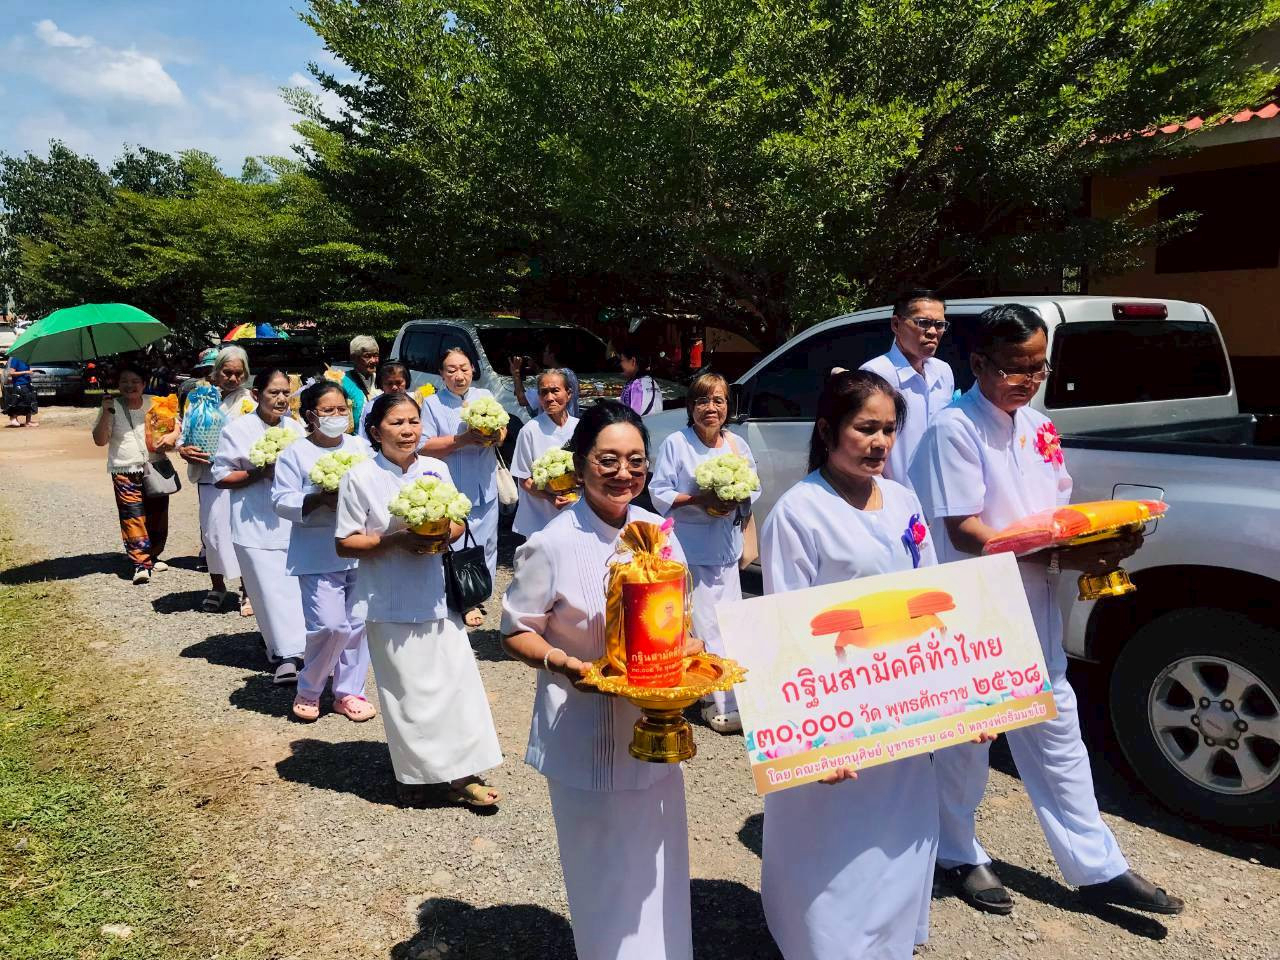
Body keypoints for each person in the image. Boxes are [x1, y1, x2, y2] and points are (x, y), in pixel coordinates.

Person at [909, 304, 1184, 917]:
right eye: (1015, 369)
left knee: (1060, 735)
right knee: (967, 742)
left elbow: (1057, 510)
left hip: (1037, 604)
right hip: (974, 611)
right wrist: (1062, 553)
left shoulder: (1037, 425)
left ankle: (1098, 867)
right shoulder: (954, 429)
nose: (1028, 380)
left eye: (1039, 368)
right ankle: (957, 852)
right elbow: (965, 532)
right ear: (978, 363)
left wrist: (1098, 544)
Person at [501, 401, 700, 960]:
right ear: (581, 463)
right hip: (583, 736)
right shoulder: (553, 542)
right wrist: (561, 663)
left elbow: (679, 621)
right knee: (606, 880)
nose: (623, 473)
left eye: (635, 460)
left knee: (659, 874)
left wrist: (693, 651)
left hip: (654, 733)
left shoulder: (658, 533)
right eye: (607, 459)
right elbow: (515, 631)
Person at [757, 371, 939, 960]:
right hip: (835, 716)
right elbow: (786, 633)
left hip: (906, 711)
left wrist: (964, 699)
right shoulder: (799, 512)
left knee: (897, 839)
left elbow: (939, 597)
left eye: (889, 429)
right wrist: (816, 740)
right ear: (828, 429)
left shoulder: (905, 501)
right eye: (866, 429)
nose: (880, 442)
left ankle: (888, 942)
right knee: (830, 846)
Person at [335, 391, 503, 808]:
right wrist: (395, 540)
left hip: (438, 597)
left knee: (456, 686)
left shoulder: (436, 469)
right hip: (387, 600)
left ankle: (463, 774)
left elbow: (459, 523)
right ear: (375, 431)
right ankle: (413, 775)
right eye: (396, 423)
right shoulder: (360, 477)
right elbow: (345, 543)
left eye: (413, 421)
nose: (407, 430)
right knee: (405, 693)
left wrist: (441, 533)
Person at [648, 372, 759, 733]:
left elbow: (752, 487)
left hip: (726, 546)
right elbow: (659, 492)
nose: (711, 408)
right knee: (705, 622)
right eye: (702, 401)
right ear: (691, 406)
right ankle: (715, 698)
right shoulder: (676, 443)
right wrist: (701, 499)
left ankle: (733, 692)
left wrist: (736, 495)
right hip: (691, 546)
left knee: (730, 619)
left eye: (719, 401)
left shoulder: (736, 444)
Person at [271, 381, 376, 722]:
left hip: (360, 549)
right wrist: (318, 498)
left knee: (358, 625)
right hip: (316, 551)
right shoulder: (294, 454)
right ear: (310, 415)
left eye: (342, 410)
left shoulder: (362, 448)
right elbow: (281, 501)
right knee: (330, 626)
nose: (336, 416)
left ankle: (349, 692)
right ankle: (310, 688)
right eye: (328, 410)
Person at [213, 368, 308, 684]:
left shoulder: (296, 429)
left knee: (292, 590)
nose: (281, 399)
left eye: (285, 392)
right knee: (266, 590)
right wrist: (259, 472)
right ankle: (284, 655)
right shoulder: (237, 430)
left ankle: (298, 648)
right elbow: (222, 477)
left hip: (291, 522)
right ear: (256, 395)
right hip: (253, 521)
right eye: (274, 393)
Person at [419, 347, 504, 627]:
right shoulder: (432, 403)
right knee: (458, 543)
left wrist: (496, 434)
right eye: (452, 370)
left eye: (464, 368)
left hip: (486, 483)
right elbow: (425, 446)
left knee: (487, 544)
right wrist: (464, 439)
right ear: (442, 374)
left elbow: (503, 431)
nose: (459, 375)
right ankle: (461, 598)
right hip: (453, 487)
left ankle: (479, 593)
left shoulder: (486, 397)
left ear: (473, 369)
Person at [91, 361, 180, 584]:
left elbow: (176, 425)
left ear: (143, 383)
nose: (129, 386)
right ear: (117, 384)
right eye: (124, 382)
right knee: (133, 516)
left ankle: (153, 554)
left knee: (158, 515)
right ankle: (140, 563)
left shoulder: (155, 403)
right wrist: (106, 412)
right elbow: (100, 440)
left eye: (134, 381)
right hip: (124, 468)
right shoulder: (111, 405)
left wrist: (171, 437)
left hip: (155, 466)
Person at [179, 346, 252, 614]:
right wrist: (183, 448)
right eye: (227, 372)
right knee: (211, 533)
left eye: (238, 373)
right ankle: (217, 585)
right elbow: (184, 429)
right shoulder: (199, 398)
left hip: (240, 478)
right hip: (209, 478)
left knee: (241, 534)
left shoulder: (250, 402)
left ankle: (248, 590)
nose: (232, 378)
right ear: (216, 371)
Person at [859, 288, 955, 485]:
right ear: (896, 324)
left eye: (939, 325)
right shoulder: (876, 374)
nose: (932, 332)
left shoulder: (943, 372)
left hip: (940, 496)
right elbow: (865, 447)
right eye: (923, 323)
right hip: (896, 499)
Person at [509, 369, 580, 538]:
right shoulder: (529, 431)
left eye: (555, 390)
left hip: (577, 514)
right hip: (539, 519)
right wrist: (549, 497)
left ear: (569, 393)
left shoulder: (580, 428)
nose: (549, 398)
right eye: (544, 392)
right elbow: (524, 479)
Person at [510, 338, 580, 417]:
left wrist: (516, 373)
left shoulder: (555, 378)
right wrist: (535, 368)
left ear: (552, 355)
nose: (543, 354)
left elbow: (522, 400)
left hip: (553, 426)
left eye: (545, 351)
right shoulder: (570, 373)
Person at [355, 361, 410, 438]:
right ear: (381, 384)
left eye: (398, 382)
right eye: (389, 383)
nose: (394, 387)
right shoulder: (372, 406)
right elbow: (363, 436)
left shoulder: (413, 403)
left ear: (406, 382)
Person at [341, 335, 380, 431]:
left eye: (376, 355)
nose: (373, 360)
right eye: (367, 356)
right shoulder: (341, 381)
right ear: (354, 358)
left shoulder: (382, 379)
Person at [617, 340, 662, 416]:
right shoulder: (653, 383)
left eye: (622, 360)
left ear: (633, 361)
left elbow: (632, 419)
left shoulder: (636, 386)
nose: (620, 364)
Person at [177, 347, 218, 417]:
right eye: (206, 370)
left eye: (213, 370)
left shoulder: (226, 390)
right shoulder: (192, 387)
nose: (210, 374)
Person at [4, 354, 37, 427]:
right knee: (19, 402)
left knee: (30, 401)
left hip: (27, 383)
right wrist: (25, 372)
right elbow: (11, 373)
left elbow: (26, 371)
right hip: (19, 384)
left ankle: (28, 422)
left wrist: (30, 373)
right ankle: (13, 418)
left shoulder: (26, 360)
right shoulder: (15, 359)